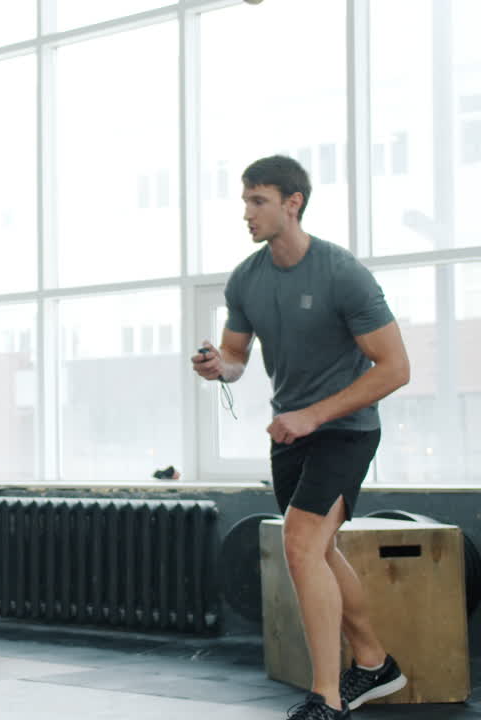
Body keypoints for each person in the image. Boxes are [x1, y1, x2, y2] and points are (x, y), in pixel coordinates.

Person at [192, 155, 410, 719]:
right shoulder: (246, 279)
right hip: (291, 433)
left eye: (258, 201)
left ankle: (327, 698)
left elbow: (395, 368)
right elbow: (237, 355)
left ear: (293, 203)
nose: (246, 213)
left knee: (299, 544)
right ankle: (375, 663)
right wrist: (220, 366)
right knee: (317, 549)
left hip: (346, 430)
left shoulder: (341, 273)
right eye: (245, 201)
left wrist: (314, 415)